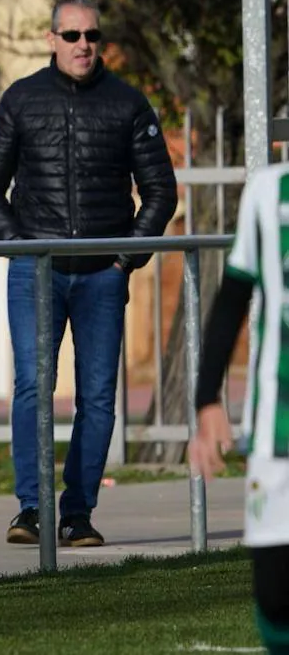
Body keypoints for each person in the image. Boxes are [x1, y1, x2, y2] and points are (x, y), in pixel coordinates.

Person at [0, 0, 176, 547]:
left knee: (99, 396)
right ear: (52, 40)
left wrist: (123, 258)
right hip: (35, 272)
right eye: (72, 35)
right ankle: (30, 509)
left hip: (101, 277)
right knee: (34, 386)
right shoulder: (20, 99)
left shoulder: (129, 103)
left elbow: (160, 191)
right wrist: (21, 247)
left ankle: (77, 513)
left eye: (92, 36)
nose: (83, 45)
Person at [191, 163, 289, 655]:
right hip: (278, 431)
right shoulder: (268, 193)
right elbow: (233, 298)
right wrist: (207, 398)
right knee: (273, 599)